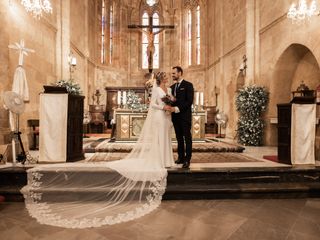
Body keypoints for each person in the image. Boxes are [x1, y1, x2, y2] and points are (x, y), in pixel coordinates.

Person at [21, 72, 175, 228]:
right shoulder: (156, 90)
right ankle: (158, 159)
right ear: (161, 79)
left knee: (164, 139)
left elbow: (166, 101)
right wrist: (164, 106)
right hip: (159, 115)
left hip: (165, 117)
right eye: (165, 77)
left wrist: (169, 106)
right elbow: (153, 104)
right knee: (157, 139)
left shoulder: (167, 89)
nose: (167, 78)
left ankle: (166, 159)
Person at [165, 66, 194, 168]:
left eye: (174, 73)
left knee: (187, 138)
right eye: (172, 73)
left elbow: (189, 101)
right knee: (179, 138)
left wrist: (176, 108)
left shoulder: (188, 85)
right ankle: (180, 157)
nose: (172, 75)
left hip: (185, 117)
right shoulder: (172, 88)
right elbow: (170, 101)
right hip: (175, 118)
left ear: (180, 73)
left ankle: (187, 159)